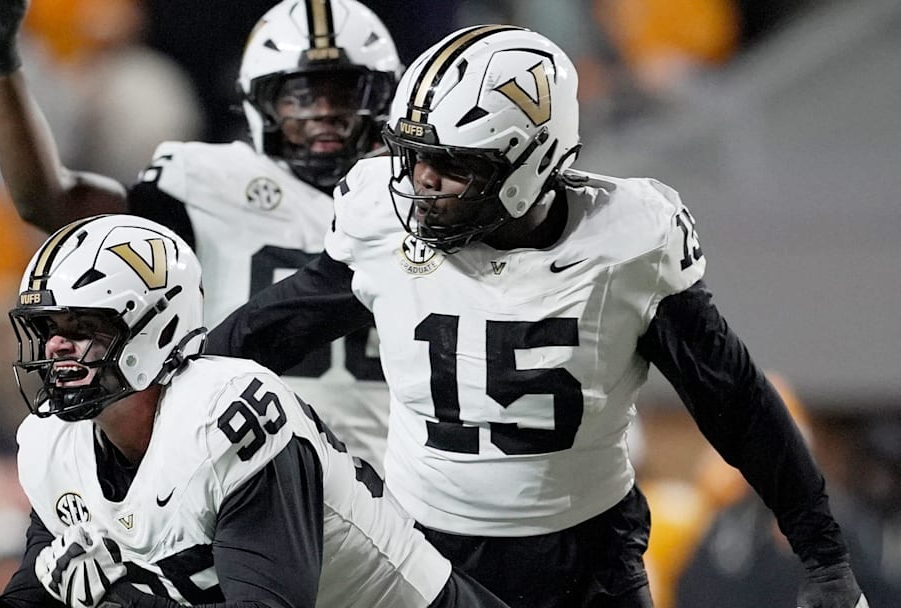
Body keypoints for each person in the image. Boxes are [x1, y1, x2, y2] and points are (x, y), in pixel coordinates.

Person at [205, 25, 870, 608]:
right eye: (414, 158)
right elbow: (269, 328)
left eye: (451, 164)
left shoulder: (626, 244)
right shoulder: (379, 221)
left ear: (530, 164)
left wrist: (823, 554)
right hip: (421, 545)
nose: (421, 183)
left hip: (585, 553)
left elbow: (734, 400)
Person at [0, 214, 509, 608]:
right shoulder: (55, 449)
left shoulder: (226, 418)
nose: (57, 347)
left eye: (82, 326)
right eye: (48, 329)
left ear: (153, 330)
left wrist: (122, 599)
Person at [0, 0, 401, 473]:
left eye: (344, 92)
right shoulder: (209, 182)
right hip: (244, 461)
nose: (324, 113)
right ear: (262, 102)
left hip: (391, 466)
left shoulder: (417, 194)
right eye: (302, 97)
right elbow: (50, 201)